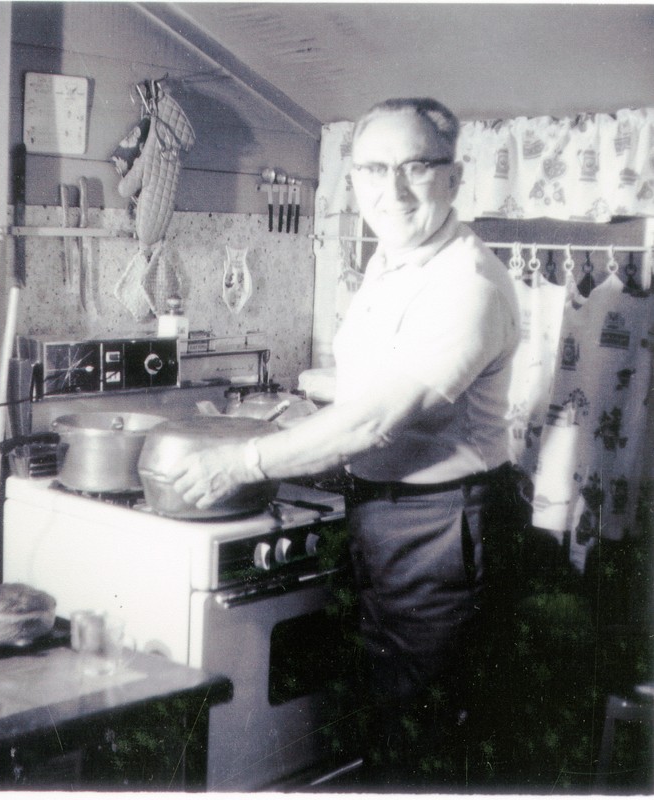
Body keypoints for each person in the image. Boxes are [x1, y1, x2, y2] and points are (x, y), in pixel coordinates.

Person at [167, 97, 523, 787]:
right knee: (383, 710)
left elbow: (375, 419)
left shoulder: (466, 284)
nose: (391, 190)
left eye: (415, 168)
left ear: (452, 178)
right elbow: (376, 385)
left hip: (443, 525)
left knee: (425, 727)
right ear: (352, 180)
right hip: (384, 513)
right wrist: (310, 392)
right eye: (372, 170)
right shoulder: (394, 261)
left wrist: (240, 460)